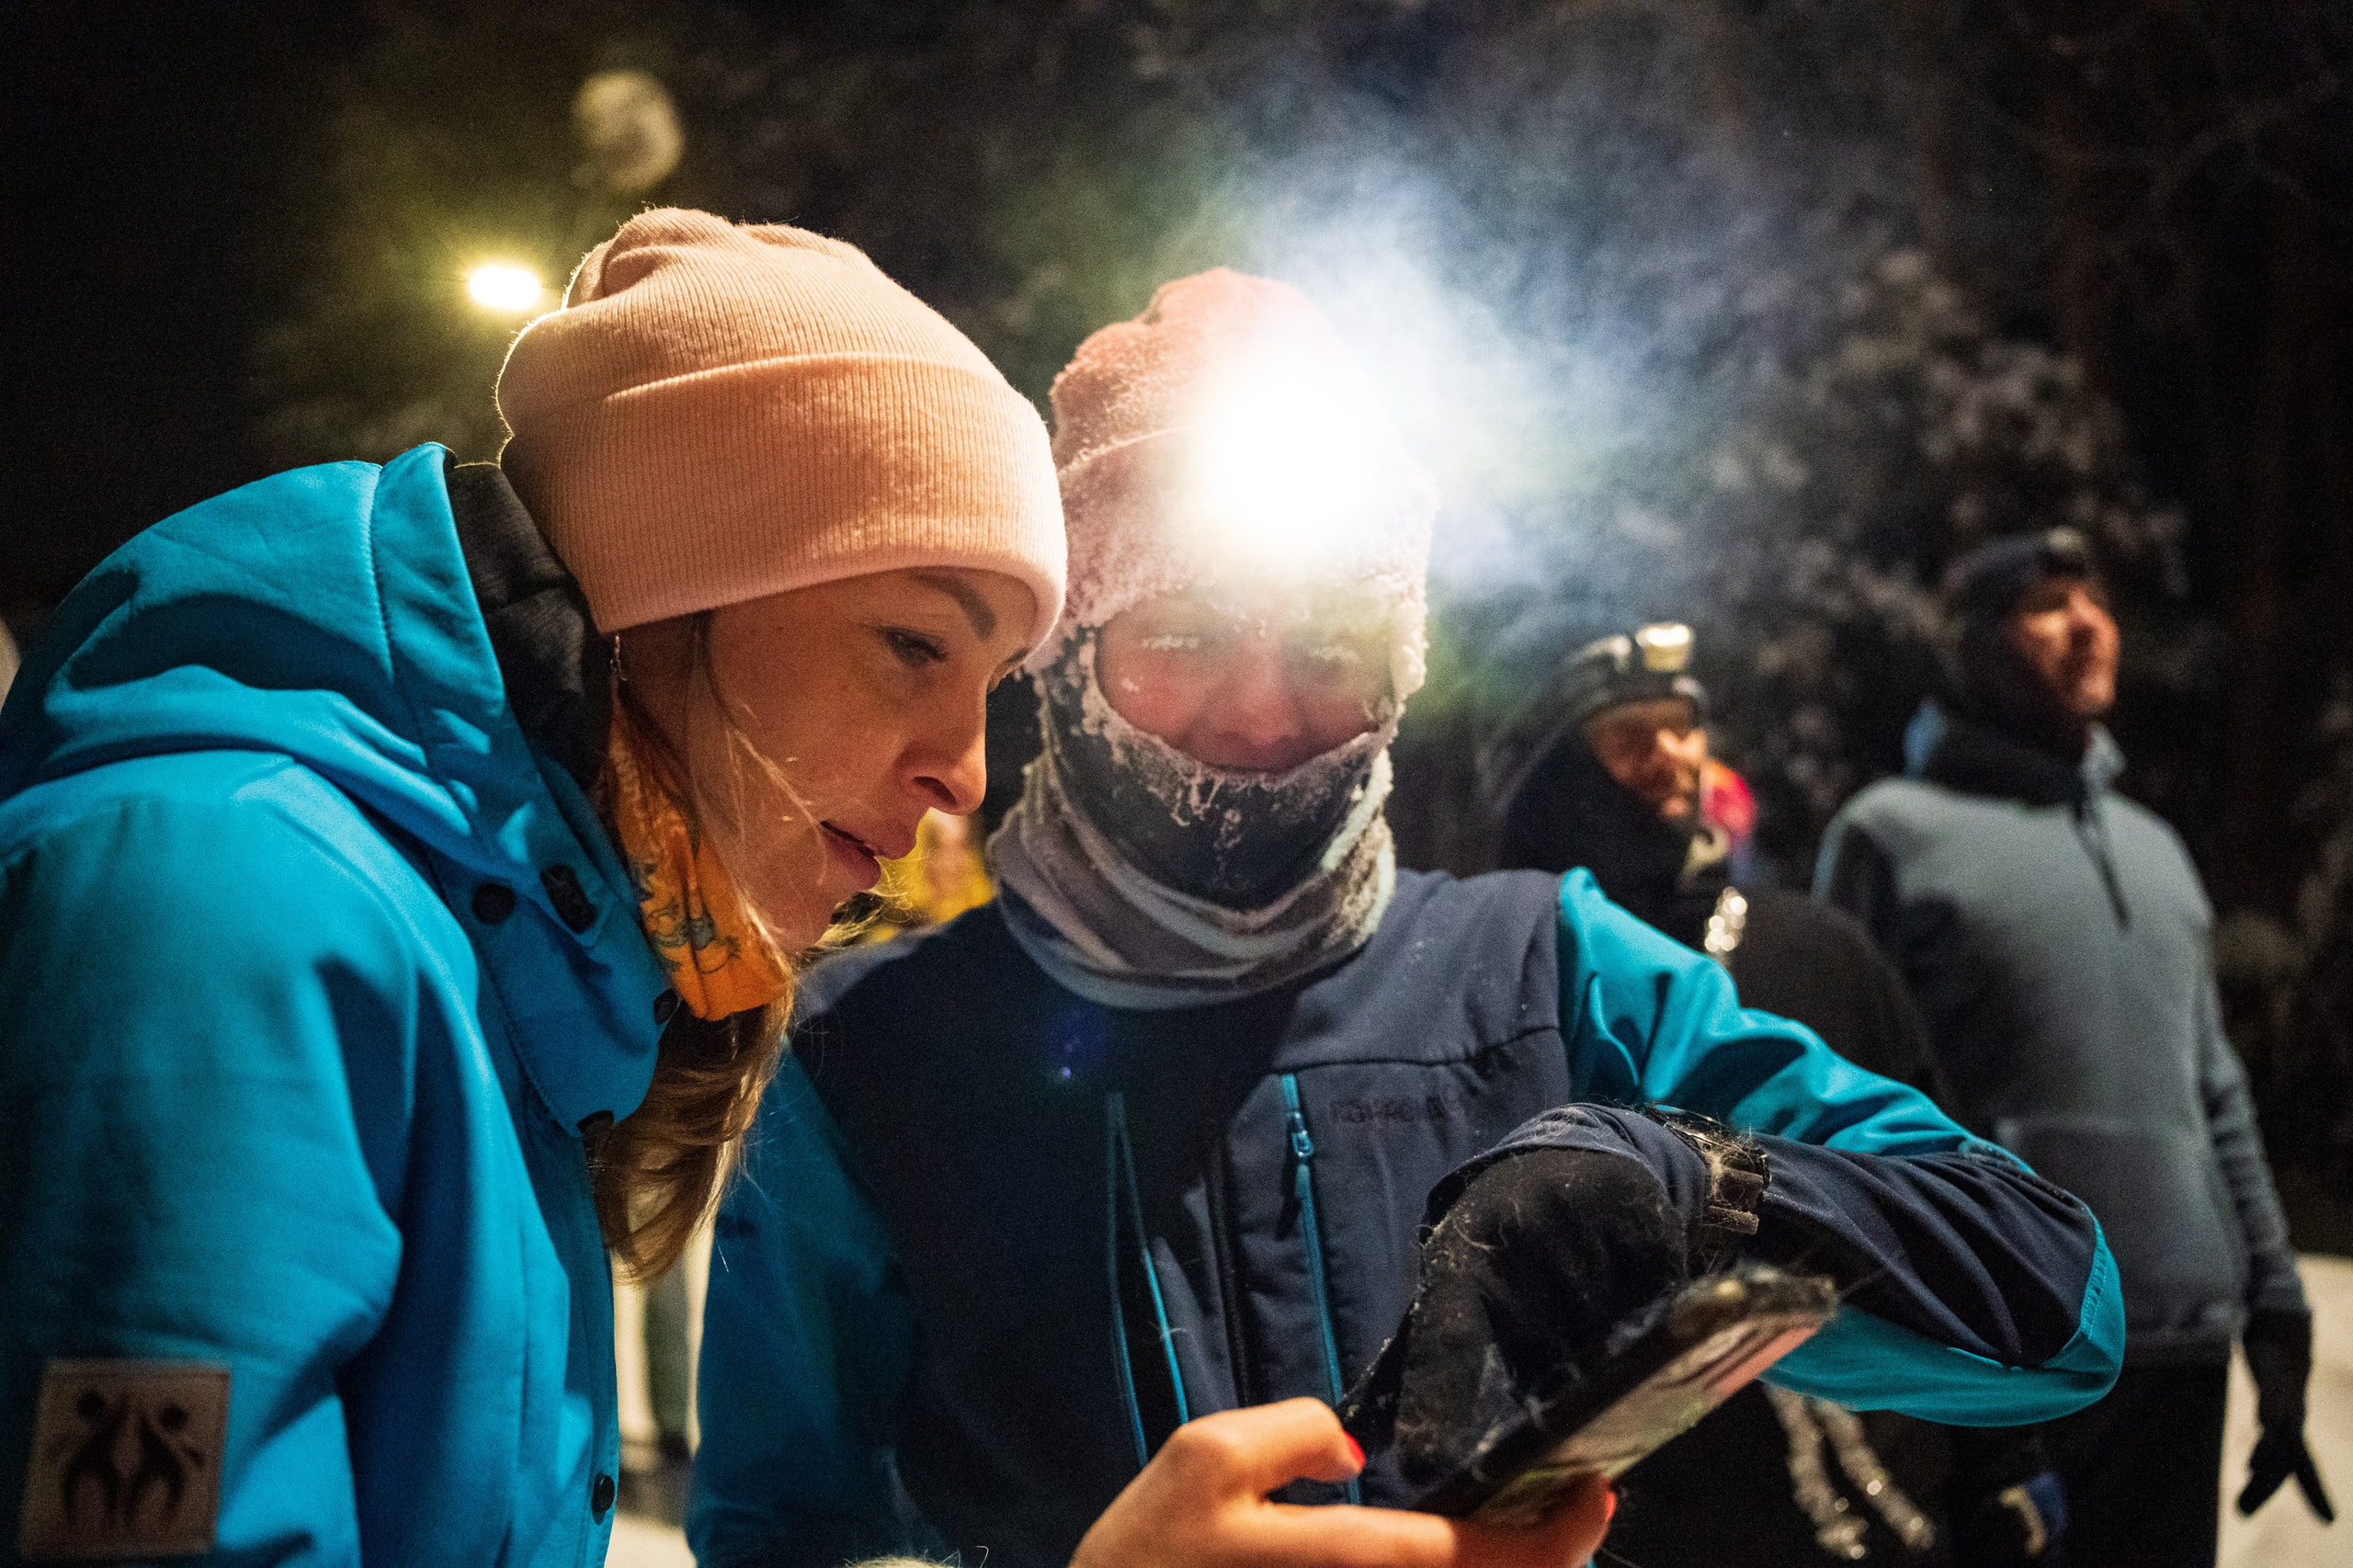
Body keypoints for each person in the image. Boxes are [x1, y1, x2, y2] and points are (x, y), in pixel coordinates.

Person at [0, 211, 1611, 1568]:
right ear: (669, 583)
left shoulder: (505, 977)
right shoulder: (223, 918)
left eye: (991, 682)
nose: (964, 772)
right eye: (911, 643)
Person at [689, 269, 2125, 1568]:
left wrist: (1704, 1192)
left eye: (1333, 641)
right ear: (1067, 657)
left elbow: (2062, 1303)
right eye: (1185, 633)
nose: (1264, 711)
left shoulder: (1551, 975)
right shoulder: (868, 1055)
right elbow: (779, 1533)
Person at [1487, 623, 2071, 1565]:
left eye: (1684, 725)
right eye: (1628, 735)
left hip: (1885, 1515)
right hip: (1636, 1526)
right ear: (1555, 775)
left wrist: (2002, 1455)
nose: (1672, 754)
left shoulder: (1821, 950)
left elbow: (1943, 1193)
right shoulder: (1509, 982)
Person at [1816, 527, 2336, 1566]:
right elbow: (1840, 1098)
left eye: (2094, 599)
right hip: (2003, 1346)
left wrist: (2276, 1311)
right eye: (2046, 605)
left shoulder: (2156, 850)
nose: (2088, 623)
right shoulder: (1891, 833)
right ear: (1974, 647)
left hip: (2180, 1346)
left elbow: (2214, 1093)